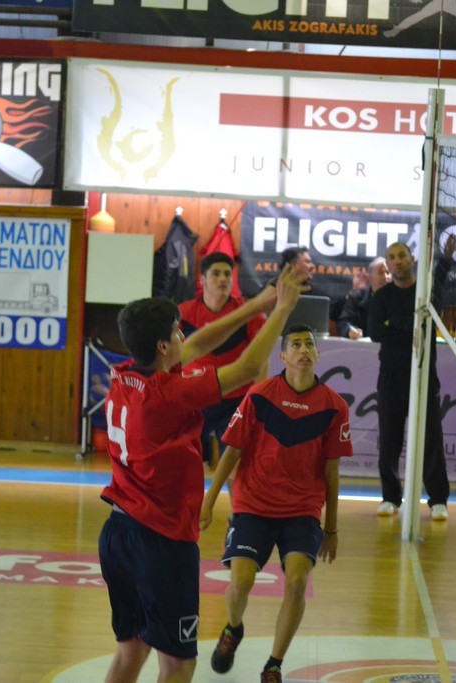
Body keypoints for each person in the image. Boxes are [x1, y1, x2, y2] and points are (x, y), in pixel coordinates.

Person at [98, 265, 306, 683]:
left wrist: (256, 306)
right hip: (161, 542)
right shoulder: (168, 394)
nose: (184, 336)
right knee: (178, 664)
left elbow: (197, 343)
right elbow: (248, 368)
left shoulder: (127, 374)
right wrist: (281, 310)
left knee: (131, 649)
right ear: (162, 346)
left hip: (119, 533)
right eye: (176, 332)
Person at [200, 324, 352, 683]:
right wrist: (208, 501)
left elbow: (332, 473)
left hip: (301, 510)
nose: (303, 349)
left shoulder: (334, 407)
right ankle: (233, 628)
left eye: (309, 344)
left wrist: (331, 529)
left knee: (297, 581)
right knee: (241, 582)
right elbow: (231, 452)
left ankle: (273, 664)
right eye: (295, 344)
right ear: (283, 356)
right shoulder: (260, 395)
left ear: (317, 355)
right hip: (253, 503)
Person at [367, 237, 455, 520]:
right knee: (389, 440)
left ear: (411, 259)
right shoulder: (381, 297)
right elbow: (375, 332)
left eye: (401, 255)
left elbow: (428, 323)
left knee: (431, 439)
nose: (397, 261)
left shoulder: (424, 294)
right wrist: (410, 325)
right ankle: (390, 498)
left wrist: (394, 324)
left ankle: (438, 500)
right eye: (391, 257)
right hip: (391, 377)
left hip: (424, 375)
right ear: (388, 264)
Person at [179, 252, 265, 468]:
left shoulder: (248, 314)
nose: (223, 279)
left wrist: (260, 400)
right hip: (195, 401)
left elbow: (262, 361)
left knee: (237, 468)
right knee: (187, 465)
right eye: (216, 274)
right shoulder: (183, 313)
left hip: (235, 402)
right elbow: (170, 359)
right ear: (202, 280)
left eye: (227, 274)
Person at [337, 257, 391, 340]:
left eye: (388, 272)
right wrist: (349, 330)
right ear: (370, 277)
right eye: (381, 273)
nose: (385, 277)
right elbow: (345, 321)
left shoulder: (397, 298)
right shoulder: (356, 297)